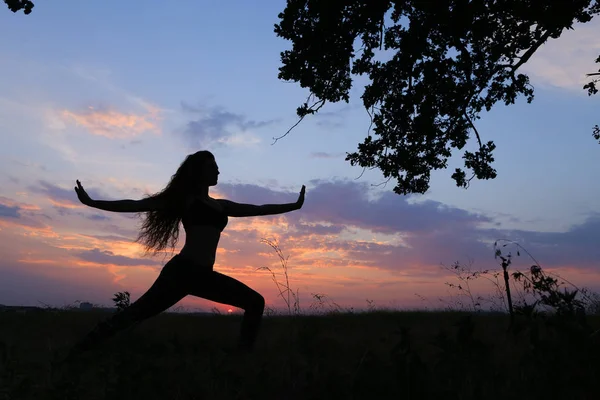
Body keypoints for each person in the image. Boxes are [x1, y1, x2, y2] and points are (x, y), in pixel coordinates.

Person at [68, 150, 305, 356]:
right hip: (181, 272)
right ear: (200, 171)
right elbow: (136, 204)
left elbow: (258, 209)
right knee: (135, 313)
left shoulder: (221, 205)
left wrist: (293, 205)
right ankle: (78, 350)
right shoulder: (184, 201)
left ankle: (242, 356)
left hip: (203, 275)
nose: (219, 172)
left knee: (255, 302)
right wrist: (93, 202)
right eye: (213, 167)